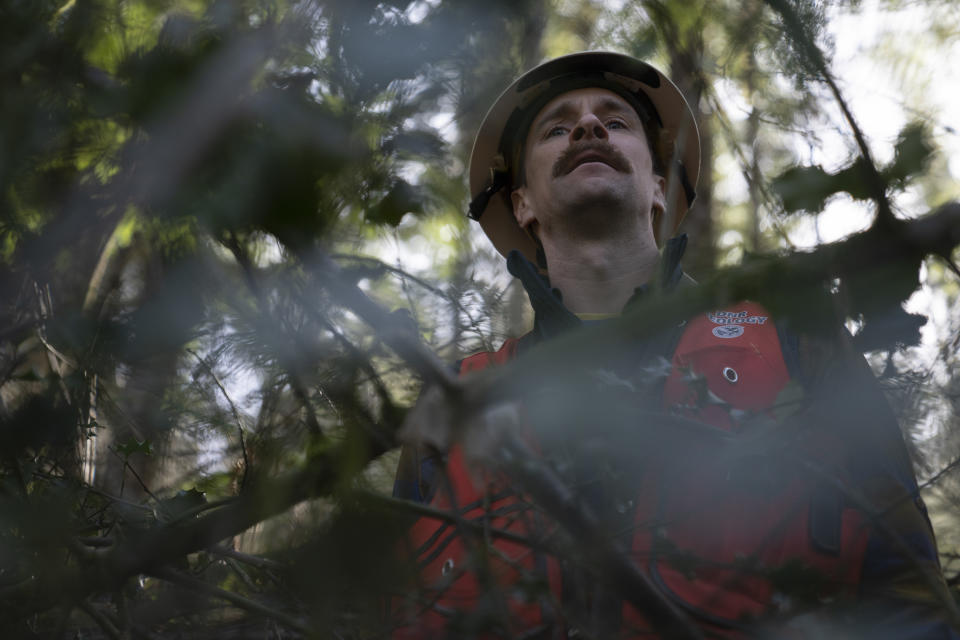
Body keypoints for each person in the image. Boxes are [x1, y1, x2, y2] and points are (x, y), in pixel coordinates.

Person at [391, 51, 956, 639]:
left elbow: (905, 586)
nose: (588, 128)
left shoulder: (793, 336)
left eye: (615, 121)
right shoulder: (454, 402)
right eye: (557, 128)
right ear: (522, 204)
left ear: (659, 187)